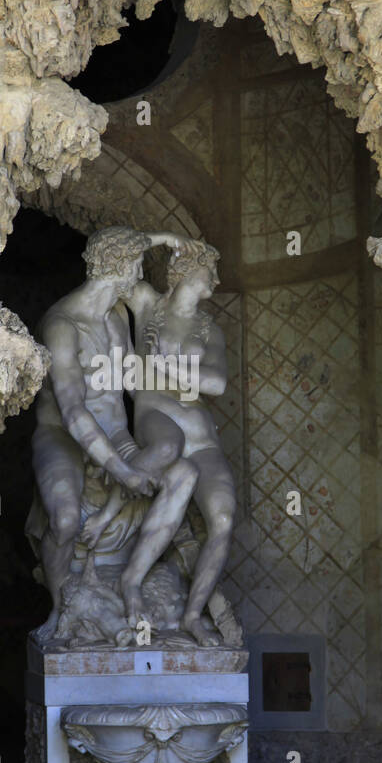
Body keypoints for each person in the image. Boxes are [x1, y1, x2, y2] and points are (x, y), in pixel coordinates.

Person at [29, 225, 196, 644]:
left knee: (185, 474)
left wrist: (160, 239)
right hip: (63, 438)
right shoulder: (61, 325)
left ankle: (132, 580)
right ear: (122, 269)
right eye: (136, 268)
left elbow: (131, 390)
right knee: (65, 519)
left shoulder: (118, 316)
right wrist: (119, 469)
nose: (139, 278)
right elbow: (72, 411)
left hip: (116, 434)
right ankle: (60, 609)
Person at [127, 237, 236, 646]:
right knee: (168, 449)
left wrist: (165, 366)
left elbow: (217, 383)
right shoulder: (145, 305)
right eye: (211, 270)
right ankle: (128, 572)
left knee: (223, 519)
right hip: (158, 419)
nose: (217, 279)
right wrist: (162, 239)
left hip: (203, 435)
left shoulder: (212, 330)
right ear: (186, 270)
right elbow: (110, 260)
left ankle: (194, 614)